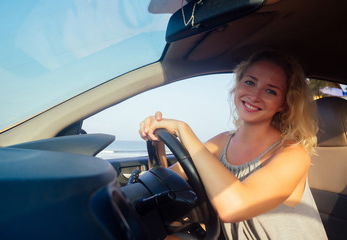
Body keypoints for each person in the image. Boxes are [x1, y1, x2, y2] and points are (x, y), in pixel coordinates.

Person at [139, 50, 327, 239]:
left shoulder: (293, 154)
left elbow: (234, 207)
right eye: (250, 82)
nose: (255, 95)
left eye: (270, 91)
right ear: (238, 86)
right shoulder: (222, 142)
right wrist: (157, 143)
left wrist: (182, 129)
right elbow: (169, 182)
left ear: (283, 104)